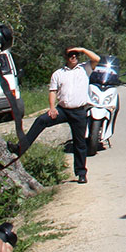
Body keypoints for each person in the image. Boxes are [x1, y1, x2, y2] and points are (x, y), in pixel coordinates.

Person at [18, 47, 100, 184]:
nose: (73, 57)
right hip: (62, 110)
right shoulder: (58, 73)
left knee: (79, 143)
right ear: (66, 57)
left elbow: (97, 59)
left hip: (79, 111)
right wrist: (51, 108)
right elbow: (53, 91)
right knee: (41, 120)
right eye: (70, 55)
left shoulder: (85, 69)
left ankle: (81, 173)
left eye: (76, 55)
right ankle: (21, 147)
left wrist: (82, 49)